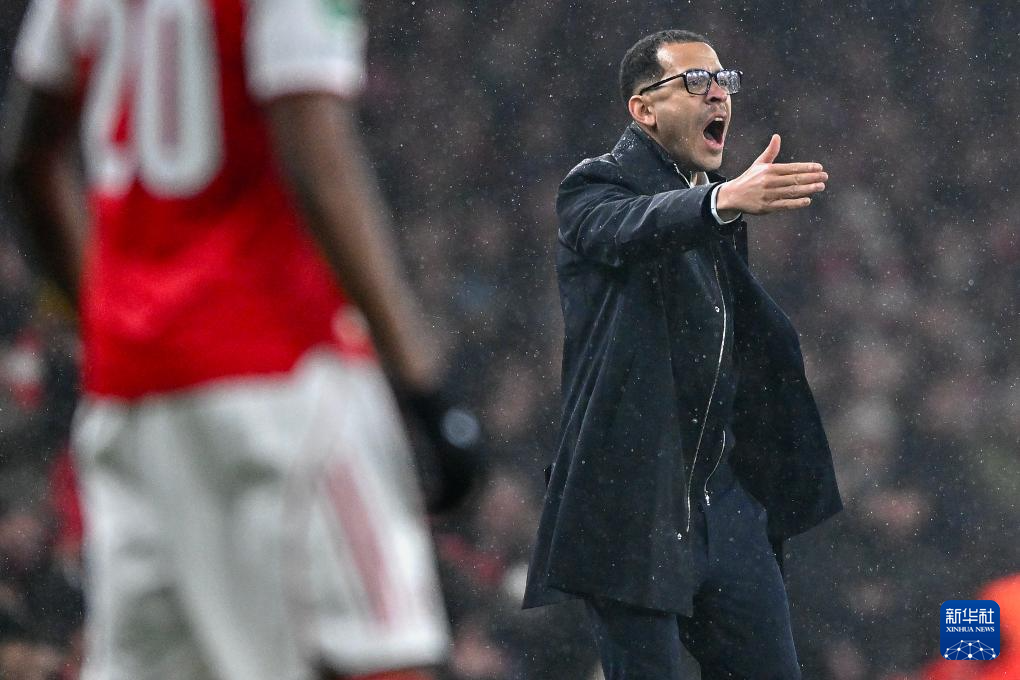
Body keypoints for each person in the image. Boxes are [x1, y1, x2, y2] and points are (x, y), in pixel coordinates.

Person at [3, 1, 484, 679]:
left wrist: (118, 323)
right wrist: (421, 382)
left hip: (132, 397)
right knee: (381, 657)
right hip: (279, 378)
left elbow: (26, 159)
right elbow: (315, 153)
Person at [523, 29, 843, 679]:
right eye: (696, 81)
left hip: (722, 499)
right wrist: (719, 201)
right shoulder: (595, 187)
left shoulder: (713, 204)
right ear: (643, 109)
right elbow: (628, 228)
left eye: (724, 81)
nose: (717, 92)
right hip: (630, 501)